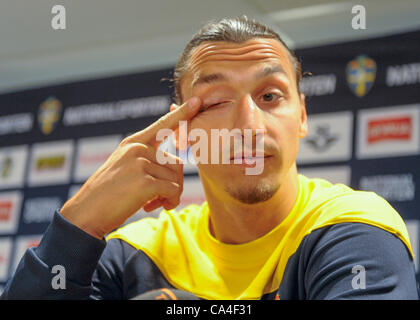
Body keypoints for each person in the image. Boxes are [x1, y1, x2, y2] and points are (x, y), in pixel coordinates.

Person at [2, 15, 418, 300]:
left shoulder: (351, 226)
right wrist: (78, 224)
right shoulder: (137, 250)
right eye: (217, 101)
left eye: (270, 96)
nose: (248, 124)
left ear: (303, 116)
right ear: (180, 131)